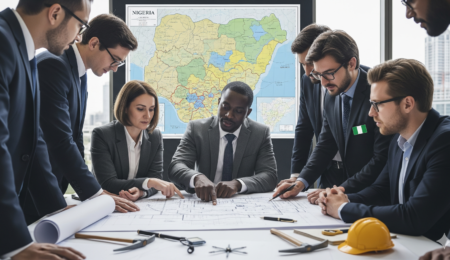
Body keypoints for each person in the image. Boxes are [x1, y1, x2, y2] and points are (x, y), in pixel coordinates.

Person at [317, 58, 450, 242]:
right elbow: (381, 190)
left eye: (377, 104)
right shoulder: (398, 137)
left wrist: (343, 209)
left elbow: (415, 217)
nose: (371, 112)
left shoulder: (444, 142)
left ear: (407, 104)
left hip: (435, 247)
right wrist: (340, 198)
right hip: (409, 243)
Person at [0, 0, 91, 259]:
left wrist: (59, 212)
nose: (78, 37)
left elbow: (33, 142)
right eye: (80, 25)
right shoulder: (3, 42)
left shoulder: (26, 53)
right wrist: (15, 244)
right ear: (55, 13)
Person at [35, 14, 140, 214]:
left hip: (54, 187)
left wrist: (93, 191)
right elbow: (59, 140)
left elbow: (75, 137)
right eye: (115, 60)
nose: (115, 69)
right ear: (93, 43)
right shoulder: (54, 66)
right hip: (34, 191)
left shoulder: (79, 73)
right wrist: (96, 194)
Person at [274, 30, 392, 200]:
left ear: (351, 64)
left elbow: (381, 158)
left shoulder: (377, 93)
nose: (322, 82)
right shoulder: (332, 94)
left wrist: (340, 189)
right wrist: (301, 181)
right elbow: (326, 143)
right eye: (318, 74)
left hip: (375, 195)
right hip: (341, 187)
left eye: (329, 73)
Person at [168, 81, 277, 205]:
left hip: (240, 203)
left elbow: (269, 176)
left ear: (247, 113)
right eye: (225, 106)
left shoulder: (260, 133)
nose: (229, 115)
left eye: (238, 111)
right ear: (219, 102)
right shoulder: (197, 129)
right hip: (204, 202)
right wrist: (197, 177)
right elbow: (176, 166)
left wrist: (238, 184)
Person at [91, 80, 184, 201]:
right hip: (107, 204)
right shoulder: (102, 135)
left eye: (151, 109)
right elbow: (108, 183)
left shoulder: (155, 136)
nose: (148, 116)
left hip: (137, 206)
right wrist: (149, 182)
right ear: (124, 108)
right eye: (140, 109)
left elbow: (155, 181)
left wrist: (141, 192)